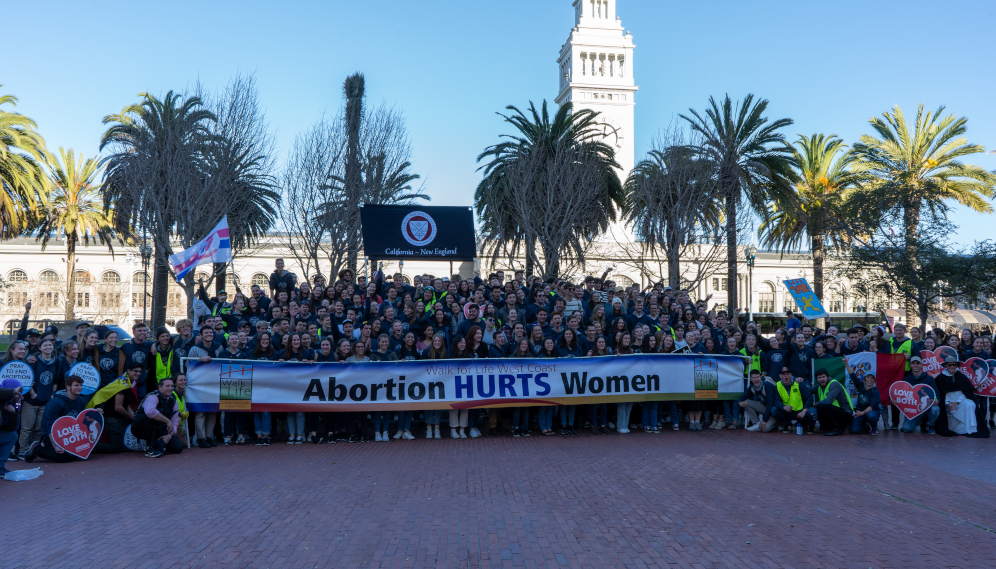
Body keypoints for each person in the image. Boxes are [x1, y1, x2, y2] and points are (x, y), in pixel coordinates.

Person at [24, 375, 90, 464]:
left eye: (81, 385)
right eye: (76, 385)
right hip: (51, 434)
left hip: (70, 433)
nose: (80, 388)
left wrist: (96, 414)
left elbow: (81, 418)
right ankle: (37, 449)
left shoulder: (81, 400)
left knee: (81, 452)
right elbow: (49, 425)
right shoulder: (56, 402)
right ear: (68, 387)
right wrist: (55, 445)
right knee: (67, 456)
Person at [87, 363, 141, 453]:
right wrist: (130, 416)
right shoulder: (122, 385)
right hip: (113, 420)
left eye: (140, 371)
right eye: (135, 371)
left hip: (118, 418)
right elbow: (118, 407)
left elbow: (126, 404)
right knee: (115, 448)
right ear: (128, 371)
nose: (138, 373)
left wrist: (134, 416)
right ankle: (87, 445)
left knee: (121, 445)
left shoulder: (126, 382)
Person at [132, 377, 182, 458]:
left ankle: (158, 445)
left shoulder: (174, 401)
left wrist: (169, 436)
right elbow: (149, 411)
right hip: (139, 427)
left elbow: (175, 422)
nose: (170, 388)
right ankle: (149, 448)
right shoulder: (152, 396)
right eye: (167, 386)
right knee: (149, 417)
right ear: (160, 387)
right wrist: (167, 421)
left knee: (177, 448)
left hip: (158, 429)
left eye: (172, 386)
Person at [934, 357, 982, 437]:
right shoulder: (940, 378)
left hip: (959, 403)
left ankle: (971, 429)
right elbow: (941, 395)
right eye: (950, 365)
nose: (952, 367)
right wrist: (948, 404)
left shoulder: (961, 377)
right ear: (946, 365)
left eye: (954, 365)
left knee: (970, 404)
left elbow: (965, 393)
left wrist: (956, 402)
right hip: (947, 406)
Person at [899, 356, 940, 434]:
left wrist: (937, 400)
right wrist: (896, 400)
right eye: (913, 363)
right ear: (910, 365)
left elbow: (936, 393)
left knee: (935, 409)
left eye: (917, 363)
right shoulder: (906, 379)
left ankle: (930, 425)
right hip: (914, 410)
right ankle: (921, 421)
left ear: (921, 365)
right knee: (906, 428)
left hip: (927, 408)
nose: (915, 365)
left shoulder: (929, 379)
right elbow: (903, 395)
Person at [770, 366, 815, 433]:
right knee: (774, 410)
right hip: (788, 411)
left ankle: (810, 426)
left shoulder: (799, 383)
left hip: (801, 411)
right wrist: (784, 407)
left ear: (791, 375)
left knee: (812, 412)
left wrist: (803, 411)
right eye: (783, 374)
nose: (786, 376)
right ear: (780, 376)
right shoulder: (777, 385)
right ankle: (788, 424)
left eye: (788, 374)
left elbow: (809, 397)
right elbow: (776, 400)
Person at [814, 368, 853, 436]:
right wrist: (799, 383)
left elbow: (828, 401)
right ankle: (828, 426)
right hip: (837, 412)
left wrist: (816, 404)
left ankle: (838, 428)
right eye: (819, 378)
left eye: (823, 377)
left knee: (822, 406)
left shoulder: (833, 384)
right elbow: (808, 391)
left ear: (828, 377)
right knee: (820, 407)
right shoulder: (820, 386)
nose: (821, 379)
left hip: (846, 413)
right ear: (817, 379)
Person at [0, 379, 22, 477]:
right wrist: (13, 392)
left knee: (12, 436)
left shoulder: (14, 402)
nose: (17, 395)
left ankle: (0, 467)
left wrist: (13, 413)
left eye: (19, 393)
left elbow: (11, 428)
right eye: (15, 392)